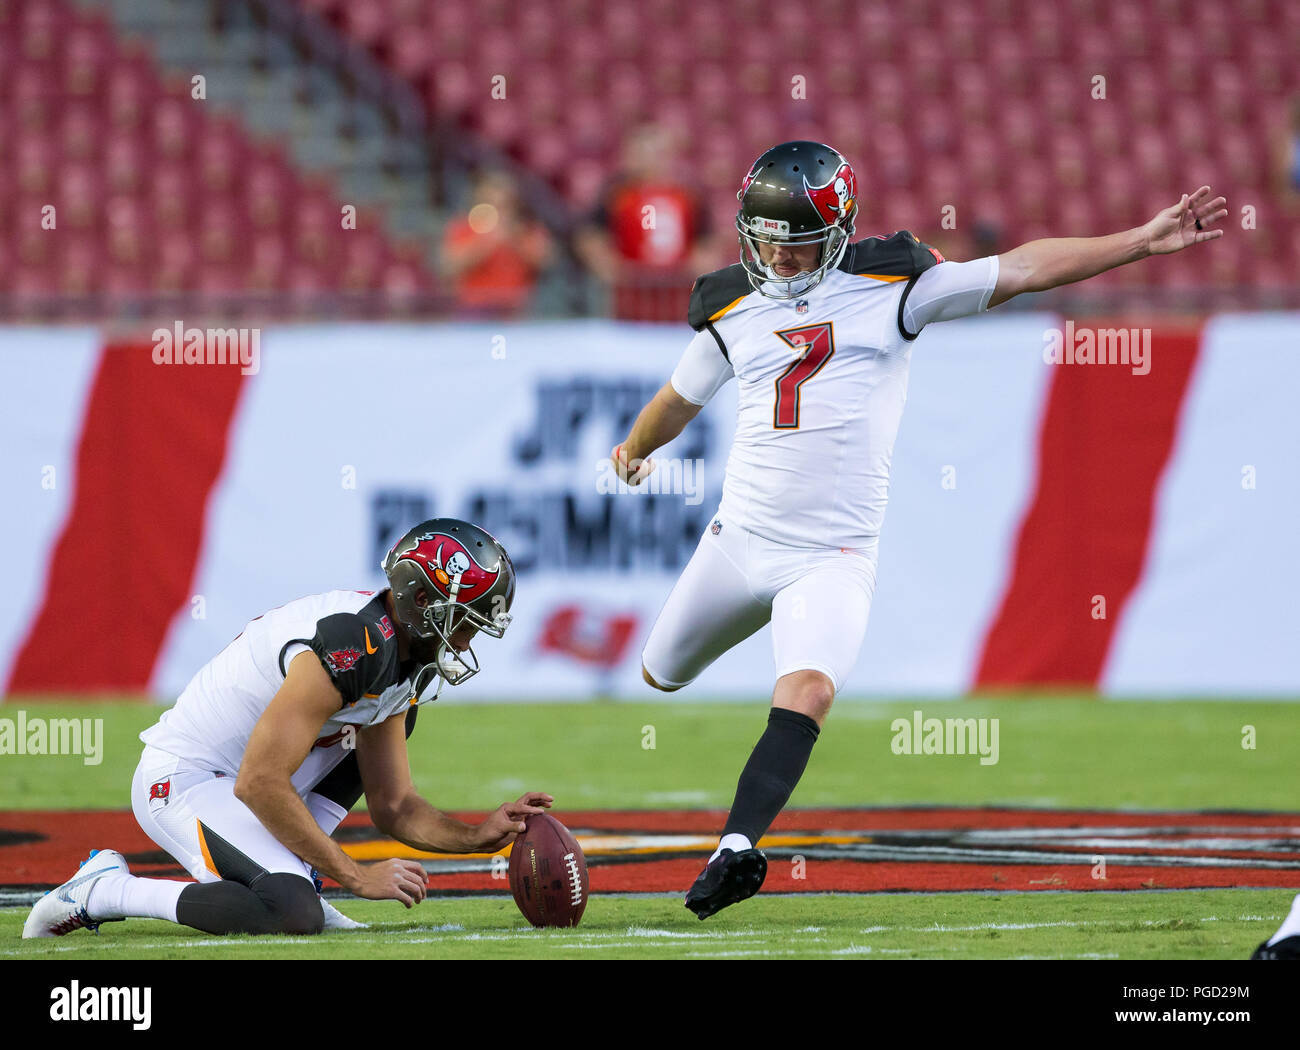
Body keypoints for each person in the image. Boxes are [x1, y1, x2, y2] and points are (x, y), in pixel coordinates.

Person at [611, 140, 1227, 920]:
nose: (776, 256)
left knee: (807, 689)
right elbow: (679, 396)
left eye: (794, 243)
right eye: (764, 238)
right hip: (737, 543)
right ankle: (732, 821)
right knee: (659, 672)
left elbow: (1026, 267)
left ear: (834, 234)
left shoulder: (893, 288)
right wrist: (635, 448)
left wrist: (1139, 240)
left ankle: (738, 846)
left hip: (829, 558)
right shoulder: (733, 307)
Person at [24, 518, 552, 938]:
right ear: (422, 601)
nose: (465, 641)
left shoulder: (397, 661)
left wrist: (476, 836)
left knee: (377, 728)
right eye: (464, 620)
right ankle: (105, 891)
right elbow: (258, 781)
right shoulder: (354, 646)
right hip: (184, 778)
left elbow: (394, 807)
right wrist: (354, 874)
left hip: (243, 780)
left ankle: (296, 873)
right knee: (289, 911)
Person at [440, 171, 553, 317]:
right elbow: (449, 267)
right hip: (474, 308)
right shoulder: (464, 227)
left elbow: (545, 261)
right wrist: (486, 242)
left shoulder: (526, 229)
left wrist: (515, 238)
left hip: (515, 310)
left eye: (503, 204)